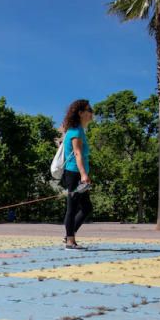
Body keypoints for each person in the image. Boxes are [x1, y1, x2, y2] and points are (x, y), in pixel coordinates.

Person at [60, 99, 93, 249]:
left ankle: (69, 234)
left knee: (86, 208)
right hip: (74, 173)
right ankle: (70, 241)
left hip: (76, 173)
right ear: (80, 113)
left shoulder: (77, 129)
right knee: (72, 207)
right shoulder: (76, 131)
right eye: (89, 110)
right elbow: (78, 153)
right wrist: (84, 175)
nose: (92, 113)